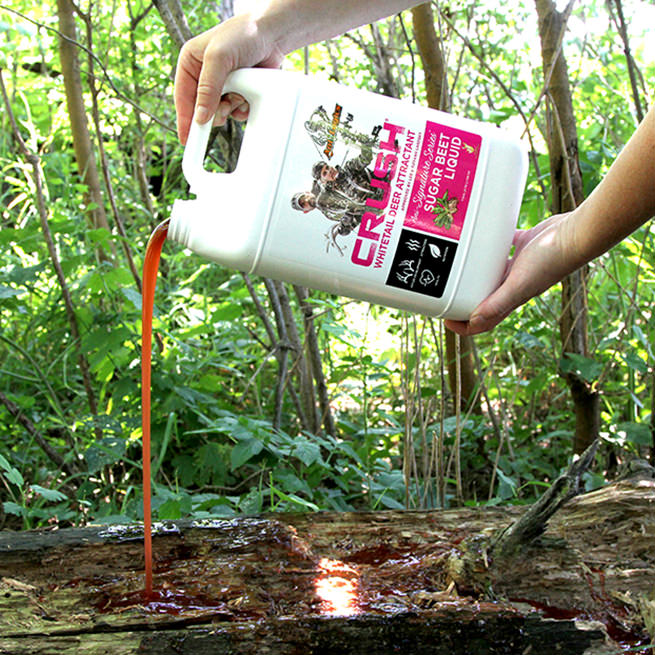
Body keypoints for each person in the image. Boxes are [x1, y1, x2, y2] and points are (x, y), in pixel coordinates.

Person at [174, 0, 655, 335]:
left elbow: (354, 171)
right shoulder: (318, 202)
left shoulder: (338, 176)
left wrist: (577, 237)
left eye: (305, 193)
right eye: (305, 197)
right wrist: (266, 26)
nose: (308, 193)